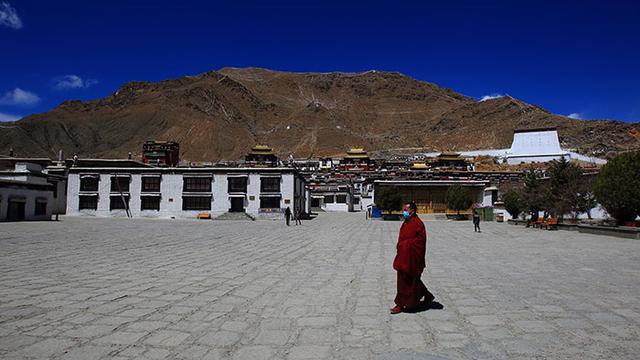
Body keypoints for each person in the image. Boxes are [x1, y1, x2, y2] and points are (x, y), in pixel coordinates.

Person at [390, 202, 435, 314]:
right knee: (409, 279)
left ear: (412, 211)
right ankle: (428, 295)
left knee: (408, 280)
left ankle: (400, 304)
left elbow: (421, 242)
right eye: (403, 209)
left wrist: (406, 245)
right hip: (403, 256)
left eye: (406, 209)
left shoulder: (418, 224)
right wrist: (400, 246)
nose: (404, 212)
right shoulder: (406, 222)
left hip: (412, 257)